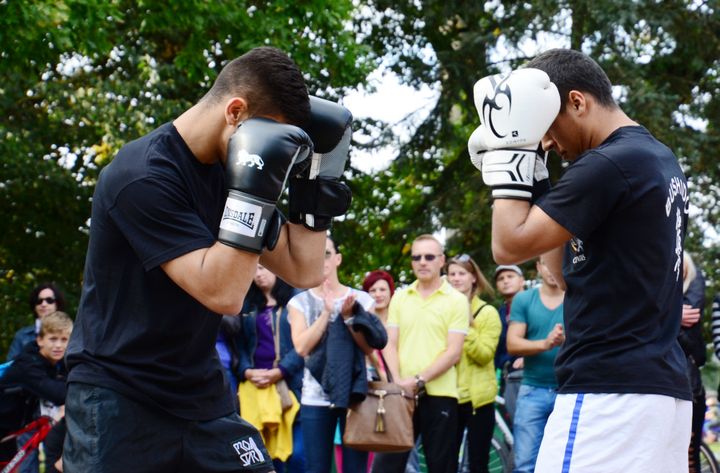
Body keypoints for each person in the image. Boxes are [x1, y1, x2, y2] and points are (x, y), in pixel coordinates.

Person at [63, 46, 354, 473]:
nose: (278, 156)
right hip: (119, 395)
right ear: (235, 112)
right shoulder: (142, 175)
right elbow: (223, 293)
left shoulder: (230, 171)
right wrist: (254, 191)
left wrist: (317, 180)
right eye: (273, 139)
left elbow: (304, 269)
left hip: (199, 392)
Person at [468, 49, 692, 470]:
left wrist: (510, 155)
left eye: (546, 128)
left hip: (609, 392)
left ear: (576, 101)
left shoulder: (608, 163)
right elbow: (559, 273)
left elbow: (508, 246)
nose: (547, 142)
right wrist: (537, 177)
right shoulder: (658, 159)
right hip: (659, 390)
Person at [371, 234, 468, 473]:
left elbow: (453, 351)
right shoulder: (400, 297)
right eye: (416, 257)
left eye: (429, 257)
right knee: (385, 467)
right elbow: (389, 343)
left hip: (440, 394)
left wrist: (418, 380)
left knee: (441, 467)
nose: (422, 262)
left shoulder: (456, 300)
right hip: (401, 395)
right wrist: (398, 381)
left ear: (441, 260)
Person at [287, 236, 385, 473]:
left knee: (355, 468)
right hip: (314, 395)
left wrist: (350, 317)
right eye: (316, 254)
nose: (321, 259)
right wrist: (326, 313)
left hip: (355, 393)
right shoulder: (299, 302)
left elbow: (369, 348)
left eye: (327, 253)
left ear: (338, 259)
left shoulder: (362, 300)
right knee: (316, 468)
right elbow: (301, 348)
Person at [238, 264, 305, 473]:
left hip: (292, 386)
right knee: (266, 455)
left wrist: (281, 370)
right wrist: (246, 371)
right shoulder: (247, 304)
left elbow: (304, 345)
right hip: (257, 388)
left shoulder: (296, 299)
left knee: (298, 455)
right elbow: (240, 345)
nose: (258, 274)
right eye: (254, 269)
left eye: (263, 268)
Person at [506, 255, 564, 473]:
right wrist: (546, 343)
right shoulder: (524, 299)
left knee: (567, 463)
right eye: (547, 263)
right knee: (525, 465)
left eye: (558, 260)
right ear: (539, 267)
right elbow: (512, 344)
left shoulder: (576, 298)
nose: (551, 269)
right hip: (533, 389)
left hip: (568, 390)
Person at [446, 254, 501, 473]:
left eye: (462, 273)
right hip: (448, 396)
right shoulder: (441, 311)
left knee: (478, 464)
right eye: (452, 274)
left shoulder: (488, 313)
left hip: (479, 400)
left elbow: (485, 355)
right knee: (445, 463)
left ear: (474, 278)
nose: (456, 278)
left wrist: (465, 327)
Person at [0, 311, 72, 466]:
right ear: (40, 340)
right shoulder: (28, 365)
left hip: (9, 432)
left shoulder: (54, 364)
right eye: (53, 339)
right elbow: (59, 394)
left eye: (64, 339)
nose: (58, 345)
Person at [679, 252, 707, 473]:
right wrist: (671, 315)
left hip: (688, 383)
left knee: (689, 457)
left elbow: (692, 316)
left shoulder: (694, 282)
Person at [492, 264, 525, 424]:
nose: (505, 281)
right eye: (501, 278)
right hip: (508, 379)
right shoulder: (499, 313)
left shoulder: (538, 304)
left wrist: (530, 357)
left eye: (510, 276)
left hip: (534, 377)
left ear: (522, 280)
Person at [7, 283, 66, 361]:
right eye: (39, 301)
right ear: (34, 306)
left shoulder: (70, 333)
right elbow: (10, 366)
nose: (43, 304)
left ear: (57, 304)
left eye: (49, 300)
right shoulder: (22, 336)